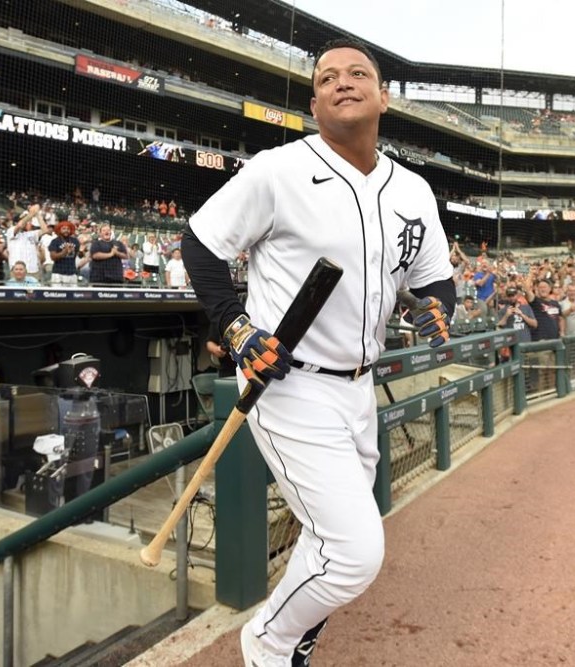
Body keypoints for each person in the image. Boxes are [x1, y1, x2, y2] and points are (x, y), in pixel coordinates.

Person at [181, 38, 454, 665]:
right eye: (328, 78)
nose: (343, 82)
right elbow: (200, 243)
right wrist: (236, 328)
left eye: (358, 73)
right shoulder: (277, 170)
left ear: (383, 97)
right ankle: (270, 642)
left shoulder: (413, 189)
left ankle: (289, 641)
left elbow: (434, 280)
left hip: (359, 386)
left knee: (329, 537)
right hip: (290, 386)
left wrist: (438, 308)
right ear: (314, 104)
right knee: (355, 552)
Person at [47, 220, 80, 286]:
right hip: (58, 273)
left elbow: (77, 254)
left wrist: (82, 252)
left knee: (73, 292)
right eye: (64, 229)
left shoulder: (75, 241)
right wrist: (64, 252)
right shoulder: (55, 241)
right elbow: (53, 257)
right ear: (59, 230)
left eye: (68, 229)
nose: (66, 230)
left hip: (72, 272)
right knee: (58, 292)